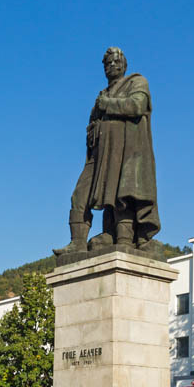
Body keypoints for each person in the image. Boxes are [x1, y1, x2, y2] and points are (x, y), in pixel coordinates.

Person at [54, 47, 160, 259]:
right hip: (99, 155)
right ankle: (77, 243)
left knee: (122, 195)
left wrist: (108, 105)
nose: (111, 66)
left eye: (115, 62)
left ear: (124, 64)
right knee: (79, 195)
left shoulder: (136, 82)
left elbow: (137, 106)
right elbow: (92, 125)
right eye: (107, 63)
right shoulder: (101, 95)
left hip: (127, 152)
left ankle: (123, 238)